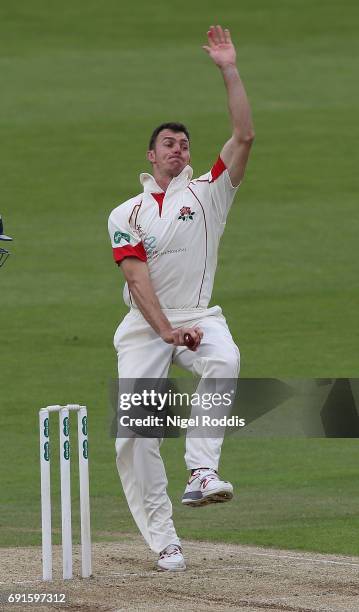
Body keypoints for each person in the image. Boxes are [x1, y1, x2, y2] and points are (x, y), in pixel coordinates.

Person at [108, 25, 254, 571]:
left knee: (224, 356)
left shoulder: (210, 191)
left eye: (184, 143)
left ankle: (201, 471)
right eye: (168, 143)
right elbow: (137, 278)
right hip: (147, 328)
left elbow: (243, 137)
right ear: (151, 155)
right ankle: (164, 539)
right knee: (136, 436)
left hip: (198, 314)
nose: (178, 149)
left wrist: (228, 69)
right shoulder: (127, 213)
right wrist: (167, 330)